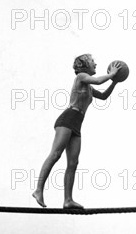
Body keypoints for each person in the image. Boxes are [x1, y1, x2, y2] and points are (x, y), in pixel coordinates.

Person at [32, 55, 121, 209]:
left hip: (77, 124)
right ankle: (38, 190)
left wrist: (115, 81)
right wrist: (112, 74)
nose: (96, 64)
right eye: (93, 62)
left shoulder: (89, 88)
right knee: (55, 154)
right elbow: (99, 80)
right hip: (67, 119)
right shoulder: (81, 77)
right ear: (85, 65)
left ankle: (68, 200)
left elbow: (104, 96)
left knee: (73, 163)